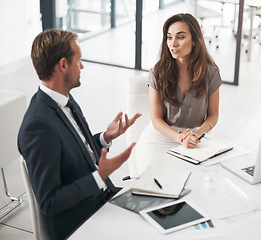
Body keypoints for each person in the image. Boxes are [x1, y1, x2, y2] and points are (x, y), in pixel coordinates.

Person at [17, 29, 141, 240]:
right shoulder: (37, 126)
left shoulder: (65, 99)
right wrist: (99, 176)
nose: (82, 66)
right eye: (79, 60)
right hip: (81, 222)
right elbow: (49, 202)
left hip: (102, 199)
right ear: (63, 65)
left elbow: (73, 152)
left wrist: (105, 138)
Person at [134, 13, 222, 175]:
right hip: (159, 138)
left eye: (180, 37)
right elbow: (156, 120)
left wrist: (196, 133)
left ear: (194, 40)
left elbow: (213, 116)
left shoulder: (211, 73)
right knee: (155, 184)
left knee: (198, 184)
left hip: (194, 138)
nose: (173, 43)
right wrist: (179, 138)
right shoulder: (157, 72)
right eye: (169, 37)